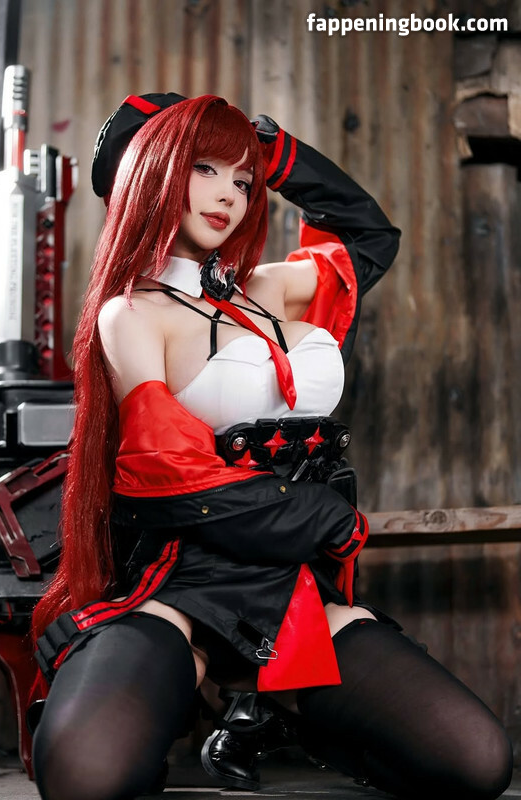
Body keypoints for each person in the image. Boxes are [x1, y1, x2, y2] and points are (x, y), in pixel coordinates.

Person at [30, 93, 513, 800]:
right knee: (85, 777)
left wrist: (277, 152)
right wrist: (320, 516)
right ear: (154, 173)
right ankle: (186, 688)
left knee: (478, 762)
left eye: (242, 178)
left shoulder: (268, 290)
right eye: (204, 169)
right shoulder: (132, 313)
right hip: (184, 583)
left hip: (295, 590)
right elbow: (171, 475)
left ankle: (283, 708)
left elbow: (370, 237)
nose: (229, 194)